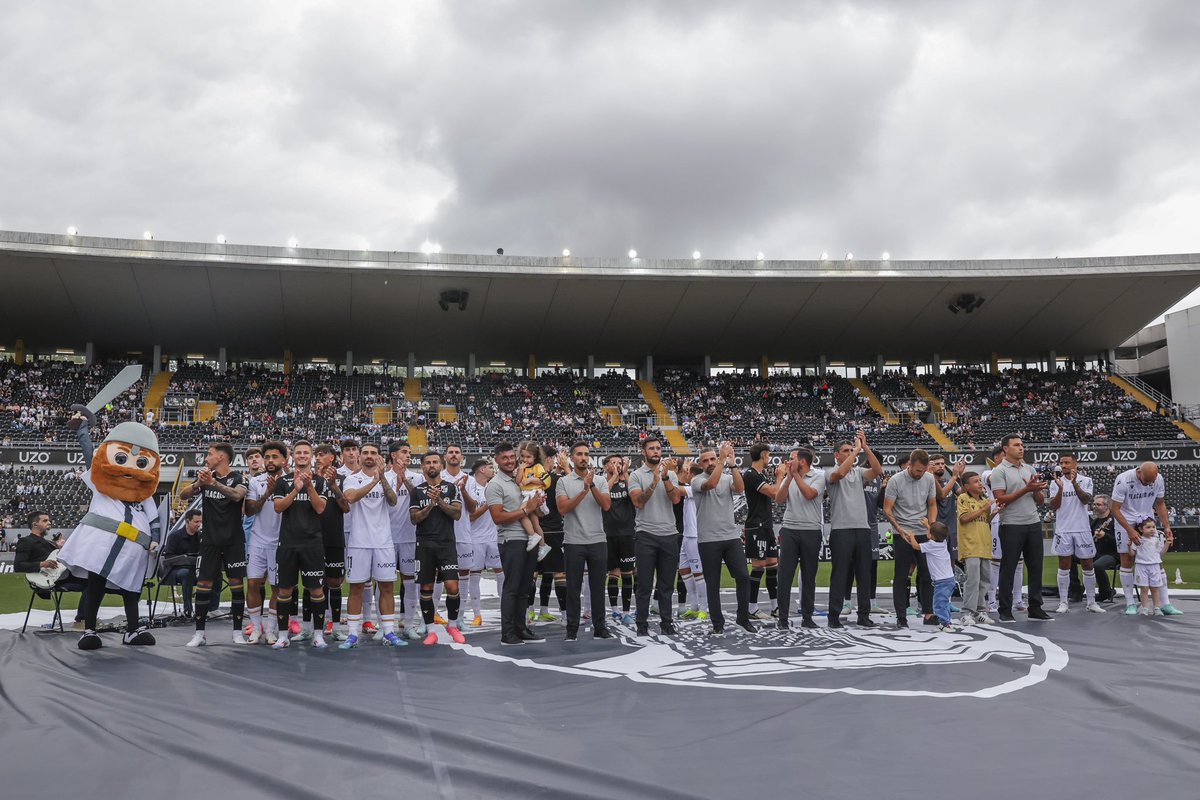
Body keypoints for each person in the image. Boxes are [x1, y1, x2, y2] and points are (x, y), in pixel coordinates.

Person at [181, 442, 249, 647]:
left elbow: (237, 496)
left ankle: (237, 632)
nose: (206, 458)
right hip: (210, 540)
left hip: (233, 540)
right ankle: (199, 633)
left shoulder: (238, 478)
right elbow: (184, 495)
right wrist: (198, 484)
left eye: (209, 454)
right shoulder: (205, 478)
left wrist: (213, 483)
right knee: (203, 585)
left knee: (236, 585)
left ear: (221, 457)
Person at [268, 440, 333, 649]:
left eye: (306, 452)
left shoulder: (320, 481)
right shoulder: (282, 481)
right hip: (288, 543)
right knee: (284, 590)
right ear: (292, 456)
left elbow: (320, 508)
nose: (302, 456)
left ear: (311, 456)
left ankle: (318, 635)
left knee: (316, 590)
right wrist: (295, 490)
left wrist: (309, 486)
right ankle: (283, 636)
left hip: (312, 543)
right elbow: (278, 507)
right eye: (299, 453)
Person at [341, 442, 403, 648]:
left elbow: (393, 500)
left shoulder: (389, 478)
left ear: (379, 457)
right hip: (359, 542)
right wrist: (373, 481)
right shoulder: (352, 478)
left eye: (373, 453)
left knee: (386, 587)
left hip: (383, 541)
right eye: (365, 453)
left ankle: (389, 632)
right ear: (359, 457)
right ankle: (352, 634)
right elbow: (350, 497)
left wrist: (381, 478)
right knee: (356, 587)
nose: (369, 456)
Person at [486, 442, 547, 646]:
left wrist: (537, 505)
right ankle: (508, 632)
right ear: (496, 459)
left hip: (529, 539)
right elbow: (497, 517)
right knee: (512, 587)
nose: (510, 461)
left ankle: (521, 629)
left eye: (512, 457)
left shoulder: (521, 479)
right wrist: (526, 509)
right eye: (505, 458)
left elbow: (535, 513)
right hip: (511, 540)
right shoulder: (495, 484)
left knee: (525, 587)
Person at [692, 443, 753, 635]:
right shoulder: (696, 480)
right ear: (700, 464)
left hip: (731, 536)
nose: (710, 462)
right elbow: (711, 484)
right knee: (713, 584)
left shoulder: (727, 477)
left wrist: (732, 464)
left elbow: (741, 488)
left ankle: (743, 619)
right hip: (708, 539)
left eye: (713, 458)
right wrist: (721, 460)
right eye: (706, 460)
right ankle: (717, 624)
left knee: (743, 577)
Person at [555, 441, 613, 641]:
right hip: (573, 541)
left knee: (598, 587)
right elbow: (563, 509)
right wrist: (583, 490)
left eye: (586, 454)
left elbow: (606, 505)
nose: (584, 458)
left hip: (597, 540)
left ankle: (600, 626)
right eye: (579, 454)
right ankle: (572, 629)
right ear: (572, 458)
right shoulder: (564, 482)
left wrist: (592, 485)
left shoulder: (600, 480)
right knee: (573, 588)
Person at [990, 435, 1051, 622]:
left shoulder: (1029, 469)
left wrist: (1036, 490)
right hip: (1011, 524)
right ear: (1005, 449)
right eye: (1016, 445)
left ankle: (1035, 607)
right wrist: (1026, 489)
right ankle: (1005, 610)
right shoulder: (999, 471)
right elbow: (1000, 499)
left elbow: (1040, 501)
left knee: (1036, 567)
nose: (1021, 448)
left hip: (1033, 522)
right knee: (1008, 568)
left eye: (1022, 445)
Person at [628, 437, 684, 637]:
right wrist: (653, 483)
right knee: (644, 585)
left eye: (658, 448)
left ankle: (666, 622)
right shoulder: (636, 475)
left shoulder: (671, 474)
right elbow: (638, 502)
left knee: (666, 585)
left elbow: (675, 499)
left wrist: (666, 478)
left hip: (669, 535)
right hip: (646, 535)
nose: (656, 452)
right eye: (651, 448)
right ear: (644, 452)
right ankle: (641, 624)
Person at [826, 432, 883, 628]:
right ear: (836, 455)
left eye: (851, 450)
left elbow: (877, 470)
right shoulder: (830, 471)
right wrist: (857, 450)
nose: (851, 453)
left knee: (864, 575)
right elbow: (840, 474)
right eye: (846, 451)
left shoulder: (859, 472)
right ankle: (834, 616)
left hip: (862, 528)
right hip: (841, 529)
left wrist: (865, 447)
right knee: (840, 574)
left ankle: (863, 615)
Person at [410, 452, 467, 646]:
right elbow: (414, 519)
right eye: (427, 463)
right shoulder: (417, 491)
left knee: (453, 586)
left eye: (435, 462)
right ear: (422, 467)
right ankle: (431, 630)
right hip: (424, 544)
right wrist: (430, 505)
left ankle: (452, 626)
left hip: (446, 543)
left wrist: (440, 501)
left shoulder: (451, 488)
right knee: (426, 587)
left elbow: (457, 514)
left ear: (441, 465)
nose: (431, 465)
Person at [1110, 462, 1181, 615]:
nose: (1149, 484)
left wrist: (1167, 526)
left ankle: (1165, 604)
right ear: (1139, 472)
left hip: (1147, 521)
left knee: (1157, 561)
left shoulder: (1158, 479)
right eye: (1146, 481)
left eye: (1151, 481)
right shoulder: (1123, 479)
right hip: (1126, 520)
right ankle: (1130, 603)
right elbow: (1114, 509)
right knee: (1126, 560)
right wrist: (1130, 530)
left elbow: (1160, 503)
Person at [883, 448, 938, 627]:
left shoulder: (929, 478)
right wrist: (899, 529)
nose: (920, 474)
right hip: (903, 533)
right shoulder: (896, 480)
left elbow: (932, 504)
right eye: (918, 470)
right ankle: (901, 617)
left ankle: (928, 614)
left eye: (923, 470)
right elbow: (887, 508)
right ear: (910, 465)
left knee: (927, 574)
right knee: (901, 575)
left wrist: (931, 527)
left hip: (923, 532)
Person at [775, 448, 825, 629]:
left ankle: (807, 617)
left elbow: (810, 494)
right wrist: (789, 477)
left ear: (802, 461)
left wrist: (795, 475)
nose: (787, 461)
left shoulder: (819, 476)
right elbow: (779, 499)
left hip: (811, 530)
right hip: (789, 529)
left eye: (791, 458)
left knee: (809, 576)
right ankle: (782, 618)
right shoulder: (789, 477)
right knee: (784, 576)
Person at [14, 509, 89, 628]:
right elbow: (18, 566)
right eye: (45, 520)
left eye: (49, 520)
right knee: (92, 585)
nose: (49, 522)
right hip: (44, 580)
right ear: (35, 524)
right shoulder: (26, 541)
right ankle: (81, 621)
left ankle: (85, 620)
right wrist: (42, 564)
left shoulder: (50, 543)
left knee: (94, 583)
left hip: (60, 576)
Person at [243, 440, 286, 644]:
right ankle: (256, 627)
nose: (270, 460)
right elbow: (249, 510)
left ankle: (270, 630)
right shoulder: (255, 482)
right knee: (253, 583)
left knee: (277, 587)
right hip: (258, 540)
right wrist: (268, 493)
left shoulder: (291, 480)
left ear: (284, 459)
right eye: (267, 457)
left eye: (274, 457)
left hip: (281, 541)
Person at [1049, 453, 1104, 614]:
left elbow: (1086, 500)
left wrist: (1074, 484)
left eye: (1067, 462)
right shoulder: (1055, 482)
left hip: (1082, 528)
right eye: (1061, 463)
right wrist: (1060, 488)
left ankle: (1091, 602)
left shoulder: (1086, 480)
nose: (1063, 465)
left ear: (1075, 464)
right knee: (1064, 565)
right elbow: (1054, 505)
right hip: (1063, 529)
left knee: (1088, 564)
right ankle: (1063, 602)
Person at [385, 442, 423, 639]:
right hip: (386, 538)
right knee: (385, 582)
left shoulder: (417, 477)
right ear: (393, 455)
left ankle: (408, 624)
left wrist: (405, 481)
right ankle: (385, 626)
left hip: (409, 536)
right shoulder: (383, 477)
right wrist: (397, 482)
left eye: (409, 452)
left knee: (410, 580)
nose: (409, 455)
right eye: (404, 452)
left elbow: (420, 499)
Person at [314, 443, 351, 639]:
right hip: (312, 538)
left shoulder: (343, 479)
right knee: (313, 583)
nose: (318, 457)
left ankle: (335, 627)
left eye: (322, 454)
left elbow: (346, 507)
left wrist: (334, 486)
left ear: (332, 458)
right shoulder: (309, 479)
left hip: (334, 536)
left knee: (335, 582)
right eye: (316, 455)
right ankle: (312, 627)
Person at [531, 445, 568, 623]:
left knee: (534, 572)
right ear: (549, 459)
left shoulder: (530, 479)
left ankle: (531, 612)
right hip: (553, 530)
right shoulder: (557, 480)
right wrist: (565, 468)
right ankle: (566, 615)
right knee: (559, 573)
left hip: (533, 529)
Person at [741, 443, 778, 621]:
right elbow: (773, 492)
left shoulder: (760, 474)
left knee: (772, 565)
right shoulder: (750, 474)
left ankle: (775, 606)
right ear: (763, 455)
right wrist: (780, 476)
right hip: (757, 526)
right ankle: (752, 608)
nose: (769, 458)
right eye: (768, 455)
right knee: (758, 567)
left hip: (766, 525)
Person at [466, 458, 503, 627]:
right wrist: (489, 504)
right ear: (481, 470)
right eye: (489, 467)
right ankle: (477, 614)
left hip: (494, 537)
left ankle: (505, 610)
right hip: (475, 539)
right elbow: (471, 516)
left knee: (501, 573)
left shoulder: (493, 487)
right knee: (474, 576)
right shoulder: (471, 488)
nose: (492, 470)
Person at [899, 521, 956, 632]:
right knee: (944, 603)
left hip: (942, 582)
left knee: (939, 604)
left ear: (931, 535)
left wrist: (912, 536)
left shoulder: (931, 545)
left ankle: (946, 624)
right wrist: (927, 525)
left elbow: (915, 546)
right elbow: (936, 533)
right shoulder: (943, 542)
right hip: (949, 580)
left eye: (929, 531)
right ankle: (947, 621)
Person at [956, 473, 997, 625]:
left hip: (984, 544)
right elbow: (964, 518)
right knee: (972, 580)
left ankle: (980, 611)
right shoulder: (963, 498)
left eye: (980, 480)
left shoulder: (985, 500)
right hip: (970, 545)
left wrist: (993, 513)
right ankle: (966, 612)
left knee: (985, 580)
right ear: (967, 486)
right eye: (975, 481)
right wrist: (984, 509)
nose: (980, 483)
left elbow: (984, 521)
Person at [602, 455, 636, 625]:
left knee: (627, 573)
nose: (617, 465)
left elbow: (635, 495)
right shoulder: (602, 482)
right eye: (613, 462)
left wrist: (625, 474)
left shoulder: (627, 482)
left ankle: (627, 612)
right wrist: (615, 476)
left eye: (620, 463)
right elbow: (602, 496)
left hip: (627, 534)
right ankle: (615, 610)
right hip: (608, 534)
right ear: (605, 466)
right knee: (613, 573)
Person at [677, 461, 709, 621]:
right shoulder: (690, 487)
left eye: (687, 471)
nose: (686, 474)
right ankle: (694, 606)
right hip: (686, 535)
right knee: (684, 570)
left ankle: (704, 608)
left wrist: (673, 473)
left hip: (695, 536)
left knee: (698, 573)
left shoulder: (694, 488)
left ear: (692, 474)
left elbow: (676, 489)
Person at [160, 509, 204, 618]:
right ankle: (188, 610)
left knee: (216, 575)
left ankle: (212, 608)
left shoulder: (201, 537)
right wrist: (183, 559)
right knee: (186, 573)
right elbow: (168, 557)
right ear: (187, 521)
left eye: (200, 521)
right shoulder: (174, 536)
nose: (199, 524)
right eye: (196, 522)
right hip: (174, 571)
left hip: (194, 569)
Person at [516, 441, 552, 558]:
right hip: (526, 494)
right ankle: (543, 545)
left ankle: (532, 535)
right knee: (535, 522)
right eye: (522, 456)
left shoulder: (538, 467)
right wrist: (520, 470)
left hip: (534, 493)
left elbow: (546, 479)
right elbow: (518, 481)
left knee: (521, 512)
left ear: (535, 457)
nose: (525, 459)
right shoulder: (522, 468)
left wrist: (531, 480)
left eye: (528, 457)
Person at [1129, 518, 1167, 616]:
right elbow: (1132, 553)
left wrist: (1167, 543)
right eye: (1148, 527)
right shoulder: (1138, 539)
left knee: (1155, 589)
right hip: (1141, 566)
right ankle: (1145, 608)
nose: (1152, 529)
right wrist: (1129, 546)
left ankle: (1157, 608)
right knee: (1144, 589)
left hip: (1154, 566)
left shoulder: (1156, 540)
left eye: (1153, 527)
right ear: (1141, 529)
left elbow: (1162, 553)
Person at [1090, 495, 1118, 603]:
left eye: (1098, 504)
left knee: (1097, 565)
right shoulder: (1094, 522)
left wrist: (1105, 536)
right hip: (1096, 553)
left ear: (1107, 506)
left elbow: (1119, 543)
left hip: (1112, 555)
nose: (1094, 507)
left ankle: (1105, 592)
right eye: (1094, 504)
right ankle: (1075, 590)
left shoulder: (1115, 521)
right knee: (1071, 557)